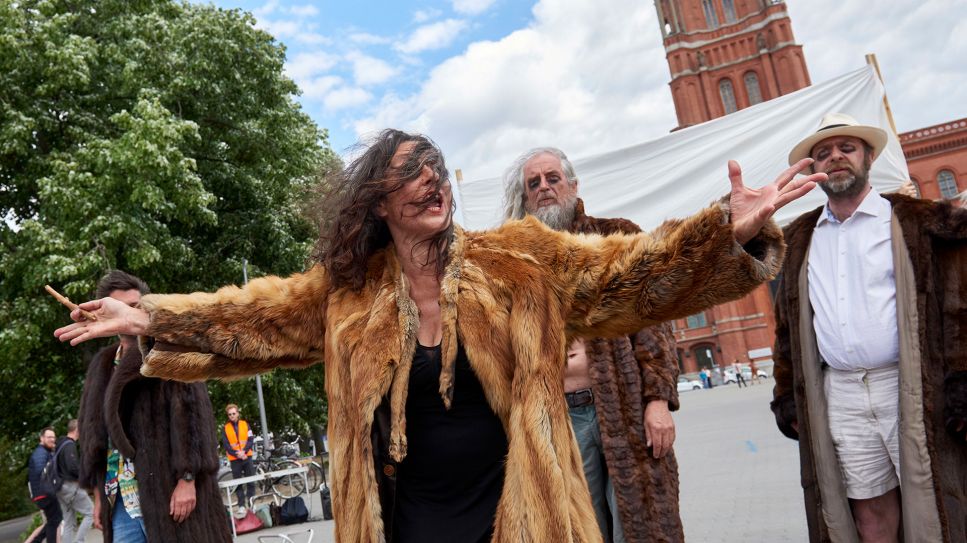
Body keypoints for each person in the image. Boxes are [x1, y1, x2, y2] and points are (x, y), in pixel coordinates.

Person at [56, 129, 821, 542]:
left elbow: (629, 272)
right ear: (379, 202)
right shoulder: (347, 296)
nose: (433, 181)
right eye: (412, 172)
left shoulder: (517, 262)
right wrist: (153, 314)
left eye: (440, 169)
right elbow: (248, 316)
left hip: (518, 511)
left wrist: (724, 232)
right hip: (404, 518)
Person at [770, 113, 967, 542]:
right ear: (815, 169)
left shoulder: (916, 221)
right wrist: (785, 393)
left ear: (869, 156)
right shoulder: (799, 237)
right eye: (823, 153)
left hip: (909, 382)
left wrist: (961, 380)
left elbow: (957, 306)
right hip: (840, 391)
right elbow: (787, 327)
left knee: (932, 506)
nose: (835, 157)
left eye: (847, 148)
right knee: (869, 515)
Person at [502, 147, 683, 542]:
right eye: (534, 183)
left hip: (623, 408)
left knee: (638, 527)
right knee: (582, 531)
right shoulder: (518, 261)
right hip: (560, 418)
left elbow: (655, 325)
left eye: (552, 178)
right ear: (526, 197)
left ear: (572, 184)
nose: (544, 187)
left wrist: (658, 401)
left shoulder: (617, 236)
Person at [75, 271, 231, 543]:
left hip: (169, 493)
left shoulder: (168, 350)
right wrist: (99, 497)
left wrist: (187, 477)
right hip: (120, 501)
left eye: (134, 305)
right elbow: (94, 435)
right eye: (119, 306)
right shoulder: (101, 365)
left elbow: (193, 417)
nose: (127, 313)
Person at [56, 419, 94, 543]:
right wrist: (84, 479)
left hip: (60, 488)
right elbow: (72, 467)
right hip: (70, 486)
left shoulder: (60, 445)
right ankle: (79, 541)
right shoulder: (69, 445)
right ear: (77, 430)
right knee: (91, 512)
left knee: (69, 522)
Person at [27, 427, 62, 543]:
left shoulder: (44, 452)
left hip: (44, 492)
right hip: (44, 493)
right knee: (54, 520)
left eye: (53, 437)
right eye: (49, 437)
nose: (52, 439)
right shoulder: (40, 453)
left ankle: (35, 541)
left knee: (54, 520)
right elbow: (41, 471)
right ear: (41, 438)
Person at [222, 404, 256, 507]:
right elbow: (226, 445)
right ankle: (241, 505)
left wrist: (244, 452)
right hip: (235, 459)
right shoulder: (225, 428)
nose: (232, 416)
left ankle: (251, 503)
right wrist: (239, 455)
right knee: (238, 483)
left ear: (237, 413)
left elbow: (250, 440)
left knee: (251, 481)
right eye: (229, 414)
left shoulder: (245, 424)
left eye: (233, 413)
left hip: (247, 457)